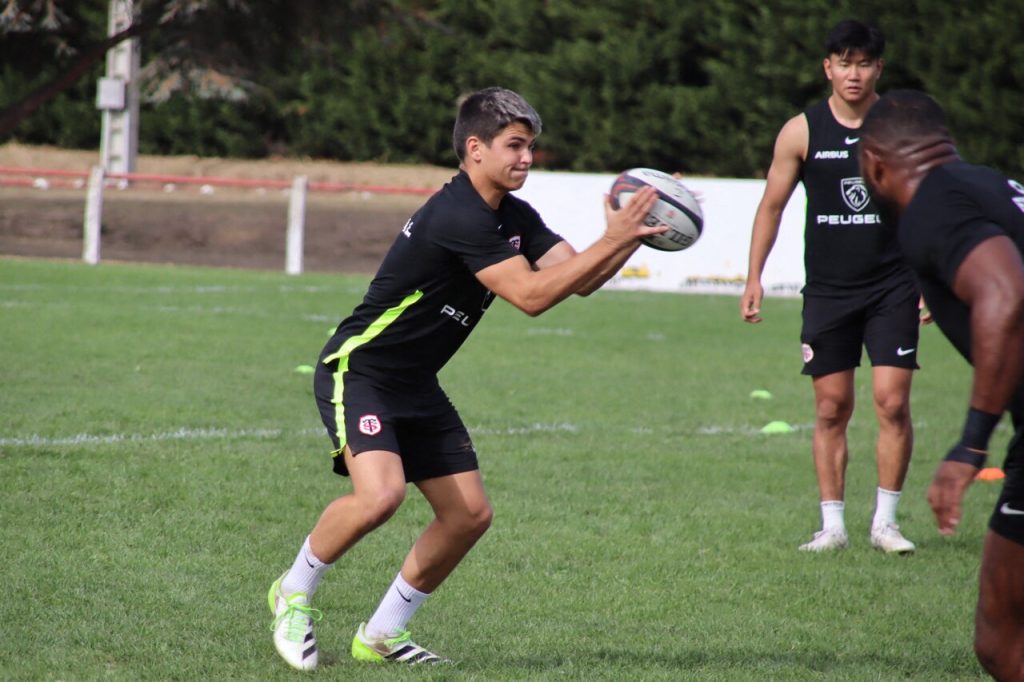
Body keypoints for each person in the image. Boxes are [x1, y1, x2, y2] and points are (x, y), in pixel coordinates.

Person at [266, 86, 665, 670]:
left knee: (468, 515)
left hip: (416, 382)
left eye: (531, 146)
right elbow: (530, 296)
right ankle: (293, 592)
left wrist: (627, 238)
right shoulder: (458, 214)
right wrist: (613, 238)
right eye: (515, 146)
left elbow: (578, 279)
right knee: (381, 496)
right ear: (475, 148)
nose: (527, 157)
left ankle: (380, 635)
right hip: (363, 369)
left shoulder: (513, 215)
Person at [859, 89, 1024, 681]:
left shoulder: (932, 208)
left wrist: (971, 444)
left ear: (875, 163)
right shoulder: (991, 183)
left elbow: (1006, 291)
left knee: (1004, 639)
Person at [740, 19, 920, 553]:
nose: (854, 74)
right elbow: (771, 207)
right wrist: (754, 276)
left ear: (878, 68)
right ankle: (833, 527)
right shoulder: (802, 131)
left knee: (891, 402)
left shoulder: (901, 127)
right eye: (844, 63)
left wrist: (933, 278)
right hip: (828, 291)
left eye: (864, 63)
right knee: (830, 407)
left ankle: (885, 523)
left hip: (894, 285)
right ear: (828, 68)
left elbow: (928, 207)